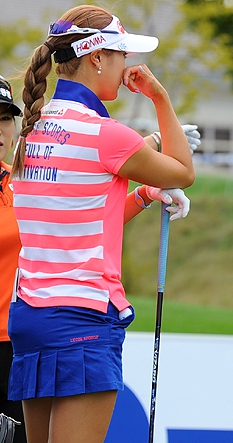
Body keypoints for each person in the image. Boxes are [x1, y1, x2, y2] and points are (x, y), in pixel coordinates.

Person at [8, 5, 195, 443]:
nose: (126, 65)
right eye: (120, 55)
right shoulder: (105, 134)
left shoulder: (33, 130)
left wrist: (145, 195)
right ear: (96, 58)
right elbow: (183, 170)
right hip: (82, 317)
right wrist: (160, 98)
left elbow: (84, 217)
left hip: (30, 315)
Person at [0, 75, 26, 443]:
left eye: (6, 118)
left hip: (17, 346)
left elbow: (71, 221)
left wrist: (145, 193)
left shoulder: (18, 181)